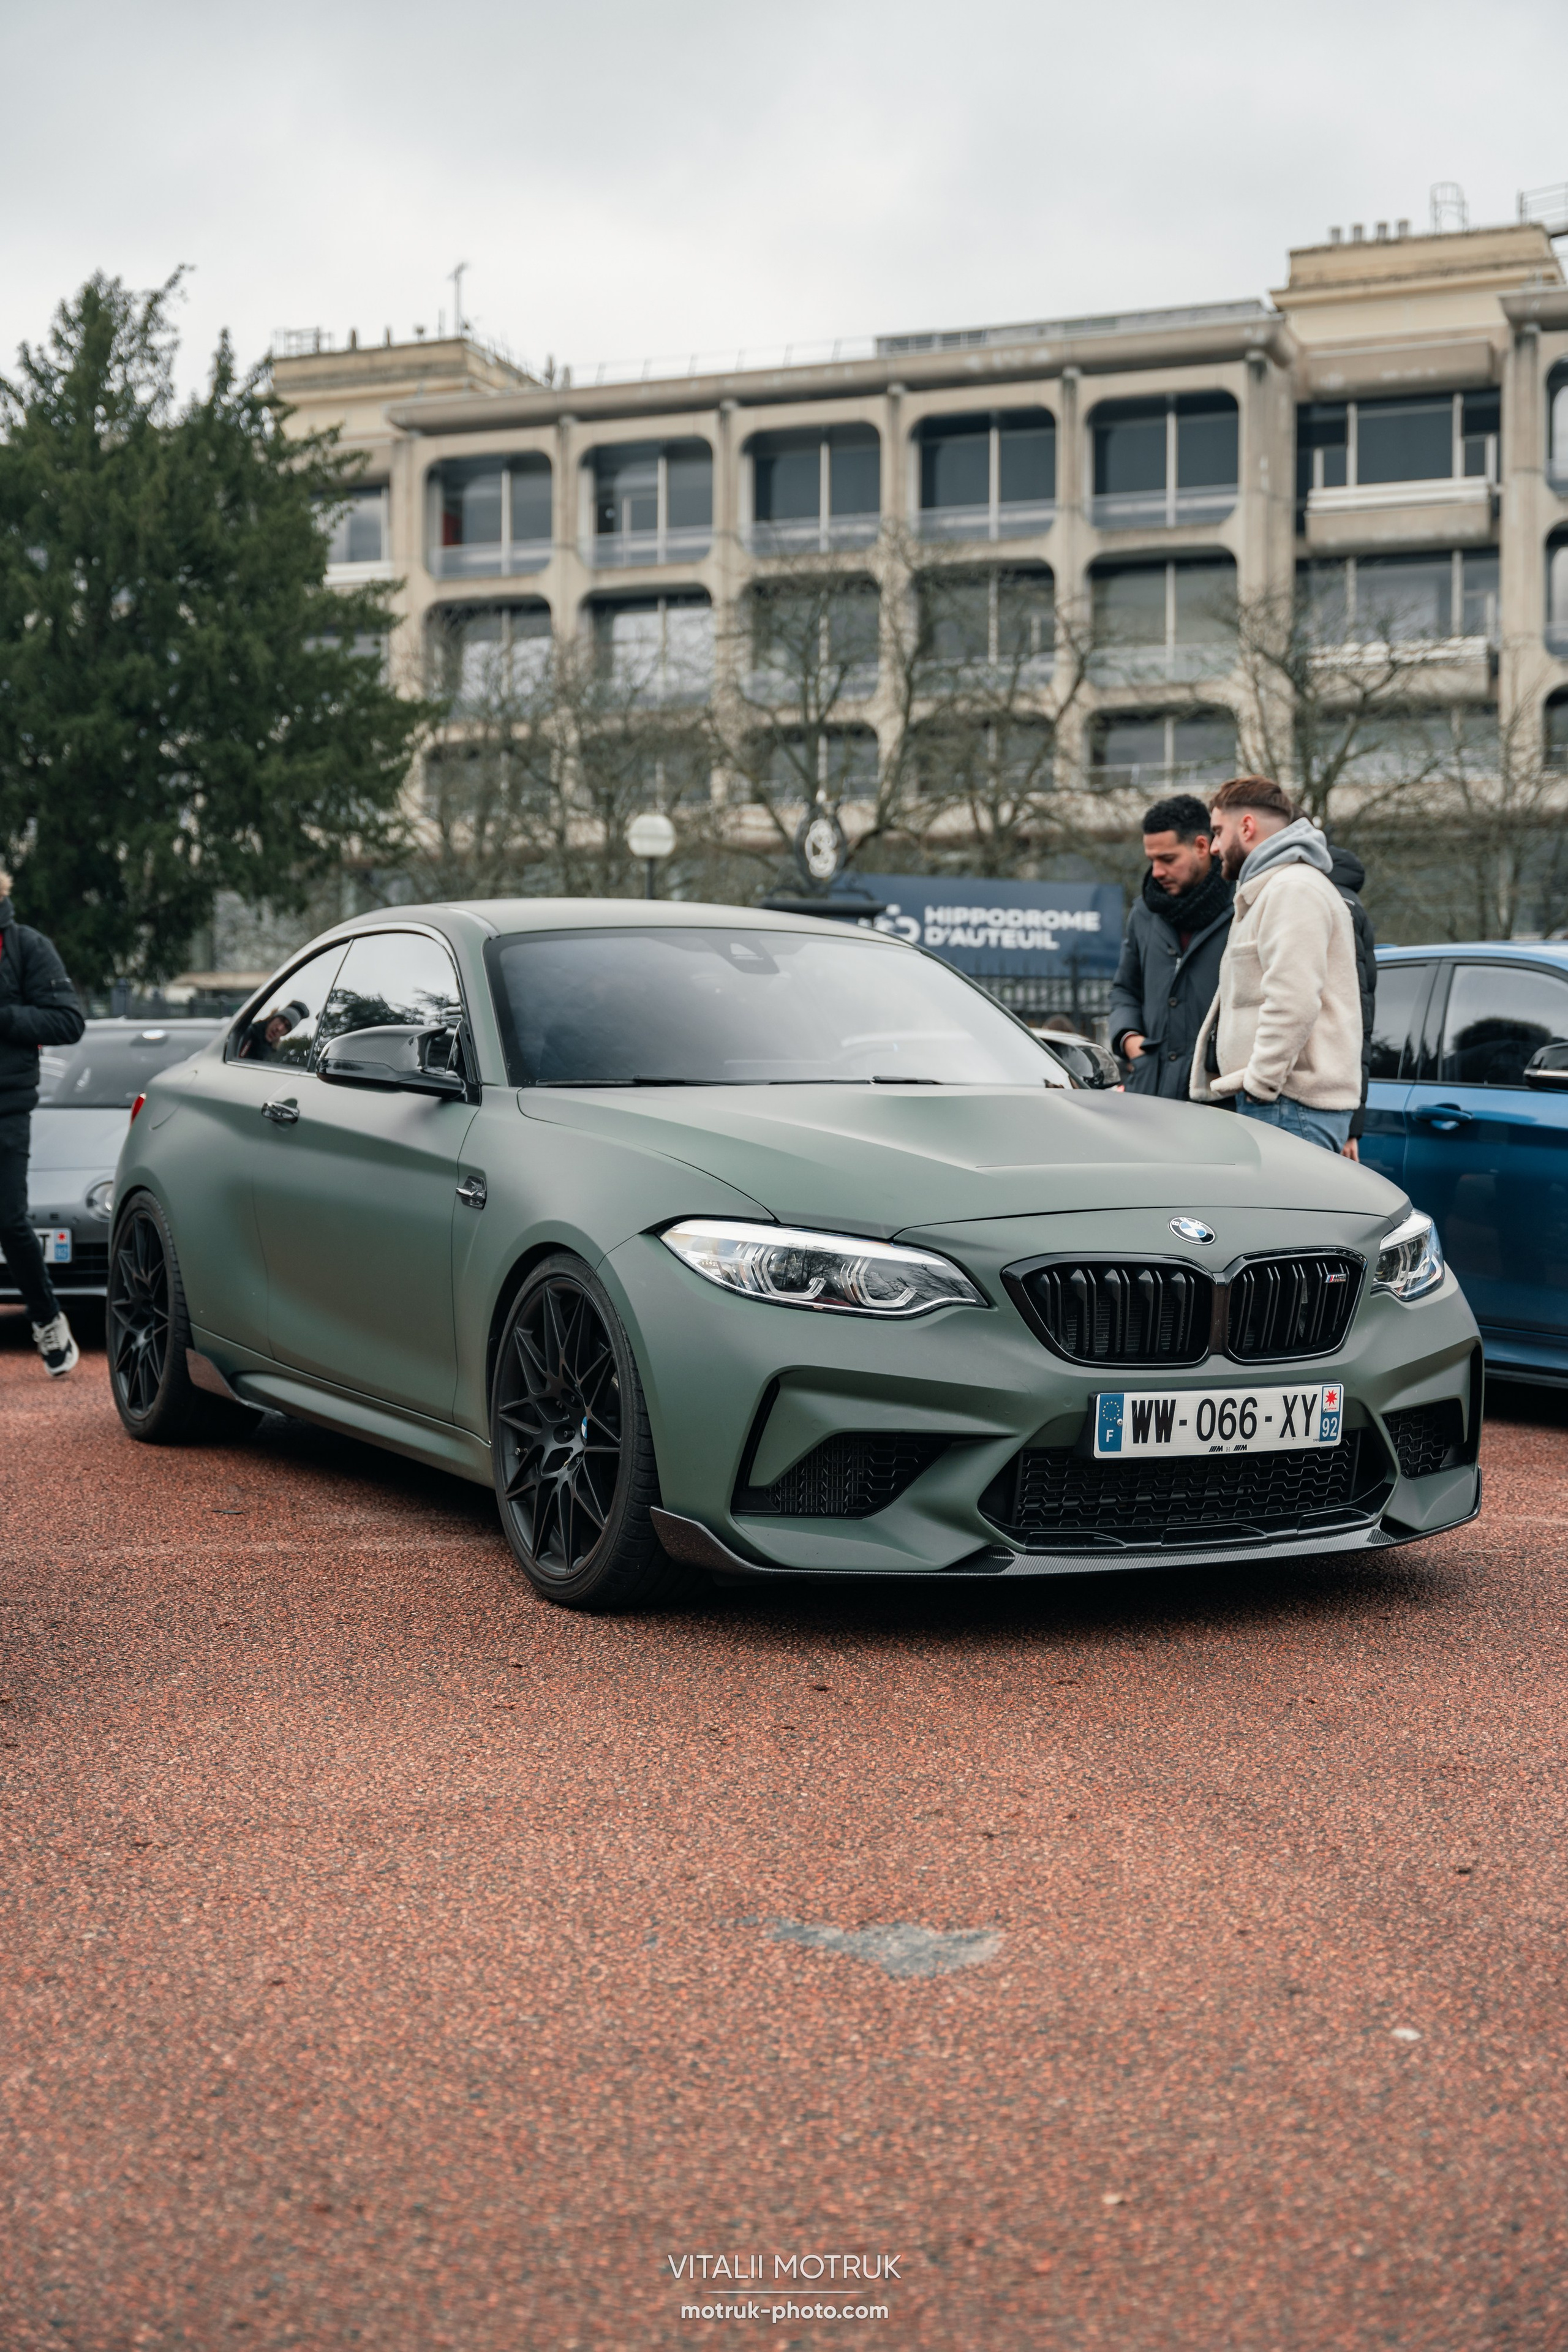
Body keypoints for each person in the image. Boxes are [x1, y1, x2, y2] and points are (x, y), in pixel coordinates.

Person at [1189, 777, 1362, 1154]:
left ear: (1247, 827)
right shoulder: (1277, 889)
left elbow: (1293, 1000)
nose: (1214, 847)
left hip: (1288, 1104)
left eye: (1218, 832)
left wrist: (1260, 1085)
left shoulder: (1292, 890)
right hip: (1283, 1103)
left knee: (1289, 1215)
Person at [0, 869, 86, 1374]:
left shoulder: (28, 946)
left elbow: (68, 1022)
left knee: (9, 1221)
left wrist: (5, 1016)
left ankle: (48, 1320)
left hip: (7, 1105)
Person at [1108, 793, 1234, 1099]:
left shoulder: (1243, 907)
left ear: (1202, 846)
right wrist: (1130, 1041)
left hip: (1217, 1098)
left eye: (1168, 859)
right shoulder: (1144, 913)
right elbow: (1124, 990)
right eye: (1152, 860)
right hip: (1151, 1093)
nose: (1157, 872)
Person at [1327, 841, 1377, 1164]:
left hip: (1326, 1098)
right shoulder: (1353, 907)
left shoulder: (1335, 907)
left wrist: (1351, 1127)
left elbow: (1353, 1022)